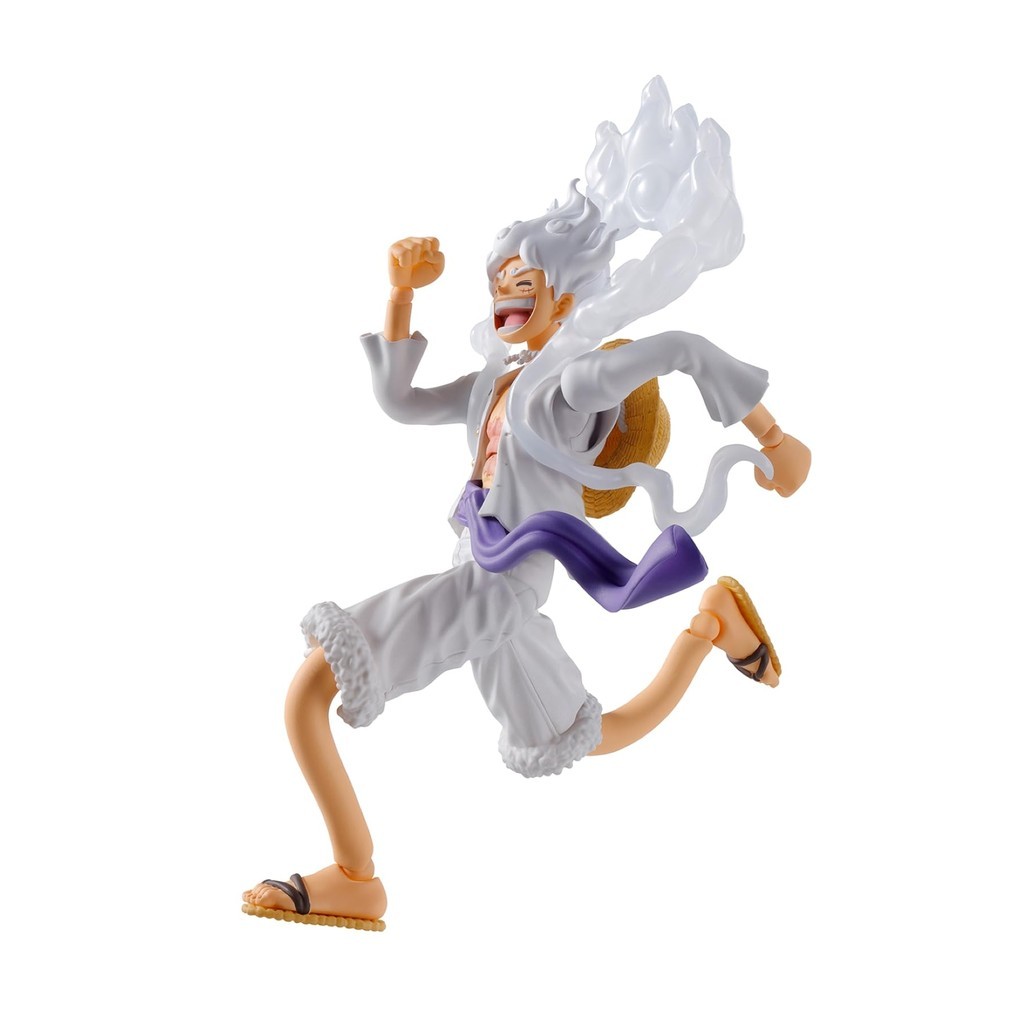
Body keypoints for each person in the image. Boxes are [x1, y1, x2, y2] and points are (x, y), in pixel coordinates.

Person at [242, 81, 810, 930]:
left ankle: (356, 875)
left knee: (309, 689)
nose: (503, 293)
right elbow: (401, 401)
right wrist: (401, 296)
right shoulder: (499, 381)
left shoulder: (574, 381)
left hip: (497, 585)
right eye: (497, 281)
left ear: (566, 297)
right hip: (485, 571)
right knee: (582, 732)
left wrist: (775, 438)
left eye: (522, 280)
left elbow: (681, 347)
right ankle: (713, 626)